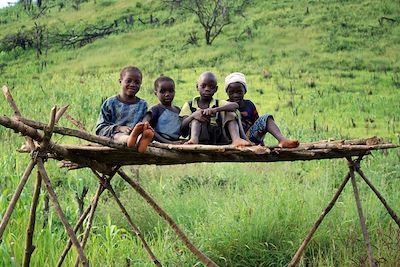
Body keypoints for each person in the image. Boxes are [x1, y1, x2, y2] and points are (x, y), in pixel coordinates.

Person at [224, 72, 299, 148]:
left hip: (250, 139)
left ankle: (283, 140)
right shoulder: (225, 106)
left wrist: (261, 144)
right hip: (233, 140)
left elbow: (258, 123)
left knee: (266, 118)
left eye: (239, 92)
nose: (235, 95)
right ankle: (237, 141)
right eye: (232, 92)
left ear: (245, 91)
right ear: (227, 92)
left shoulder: (249, 105)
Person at [180, 71, 251, 147]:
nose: (207, 89)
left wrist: (215, 110)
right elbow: (182, 129)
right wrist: (193, 116)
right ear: (197, 87)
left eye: (211, 87)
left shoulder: (218, 103)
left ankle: (236, 139)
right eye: (203, 86)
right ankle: (193, 140)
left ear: (216, 89)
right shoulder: (189, 105)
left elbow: (235, 105)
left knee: (230, 112)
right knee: (197, 117)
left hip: (216, 137)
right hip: (199, 136)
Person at [95, 65, 154, 153]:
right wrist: (118, 128)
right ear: (120, 81)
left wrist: (145, 126)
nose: (133, 85)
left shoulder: (142, 104)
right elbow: (100, 128)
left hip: (135, 133)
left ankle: (139, 141)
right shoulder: (110, 103)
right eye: (128, 81)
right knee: (119, 136)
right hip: (115, 136)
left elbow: (144, 120)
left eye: (137, 82)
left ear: (140, 84)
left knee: (141, 134)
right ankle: (131, 140)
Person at [142, 76, 182, 143]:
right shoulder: (156, 109)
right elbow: (145, 124)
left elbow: (184, 131)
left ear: (174, 92)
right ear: (156, 93)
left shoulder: (178, 110)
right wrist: (168, 142)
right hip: (159, 141)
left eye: (171, 91)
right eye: (162, 92)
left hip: (176, 141)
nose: (167, 94)